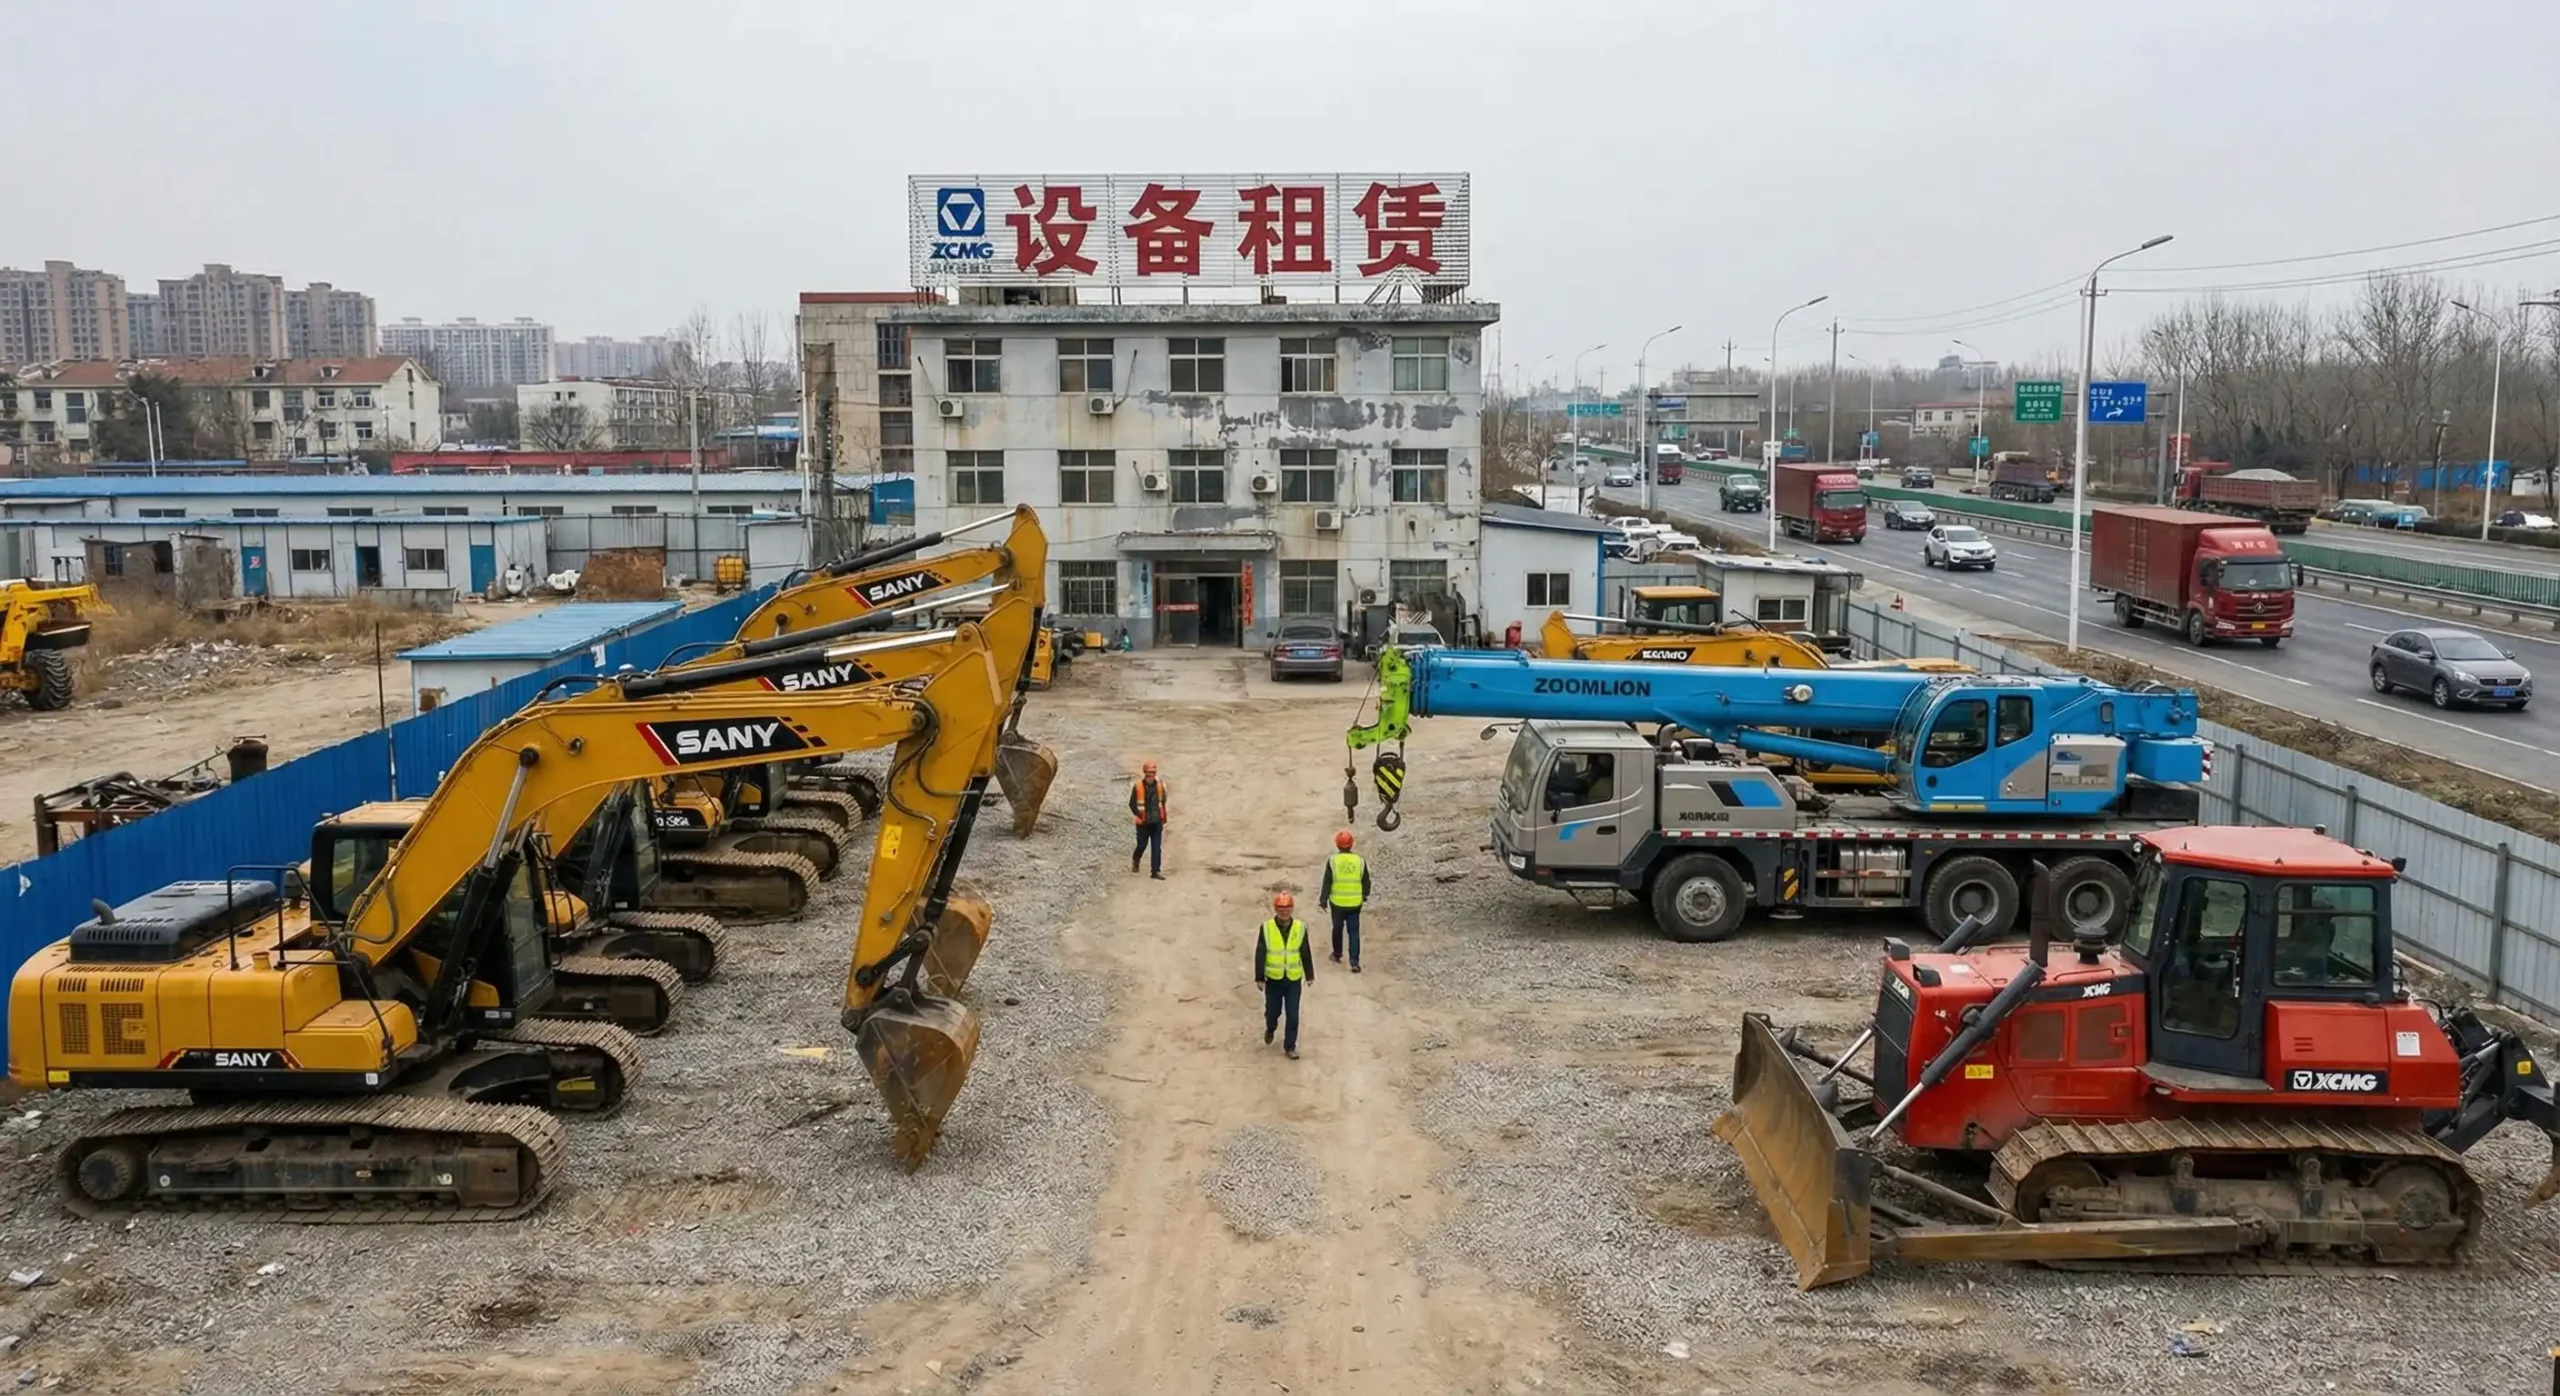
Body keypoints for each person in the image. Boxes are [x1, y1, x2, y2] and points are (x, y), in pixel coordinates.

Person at [1252, 891, 1312, 1059]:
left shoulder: (1300, 928)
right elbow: (1260, 952)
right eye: (1281, 908)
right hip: (1274, 979)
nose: (1284, 911)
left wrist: (1309, 974)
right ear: (1275, 909)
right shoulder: (1267, 928)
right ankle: (1270, 1028)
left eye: (1287, 908)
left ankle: (1290, 1046)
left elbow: (1305, 951)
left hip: (1293, 979)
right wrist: (1259, 977)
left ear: (1292, 909)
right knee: (1273, 1012)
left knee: (1293, 1014)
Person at [1321, 829, 1370, 972]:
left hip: (1337, 903)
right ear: (1351, 844)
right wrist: (1365, 895)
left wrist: (1323, 899)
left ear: (1337, 845)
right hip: (1355, 903)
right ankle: (1354, 962)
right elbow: (1366, 880)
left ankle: (1337, 954)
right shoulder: (1359, 861)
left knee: (1337, 929)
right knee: (1354, 932)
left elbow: (1327, 881)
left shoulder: (1333, 861)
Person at [1129, 760, 1169, 879]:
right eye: (1148, 772)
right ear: (1144, 772)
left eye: (1153, 772)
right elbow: (1132, 804)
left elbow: (1163, 800)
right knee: (1142, 845)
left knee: (1156, 848)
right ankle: (1136, 859)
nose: (1151, 774)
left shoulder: (1160, 785)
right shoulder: (1138, 786)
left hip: (1156, 822)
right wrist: (1139, 815)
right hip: (1143, 823)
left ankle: (1155, 871)